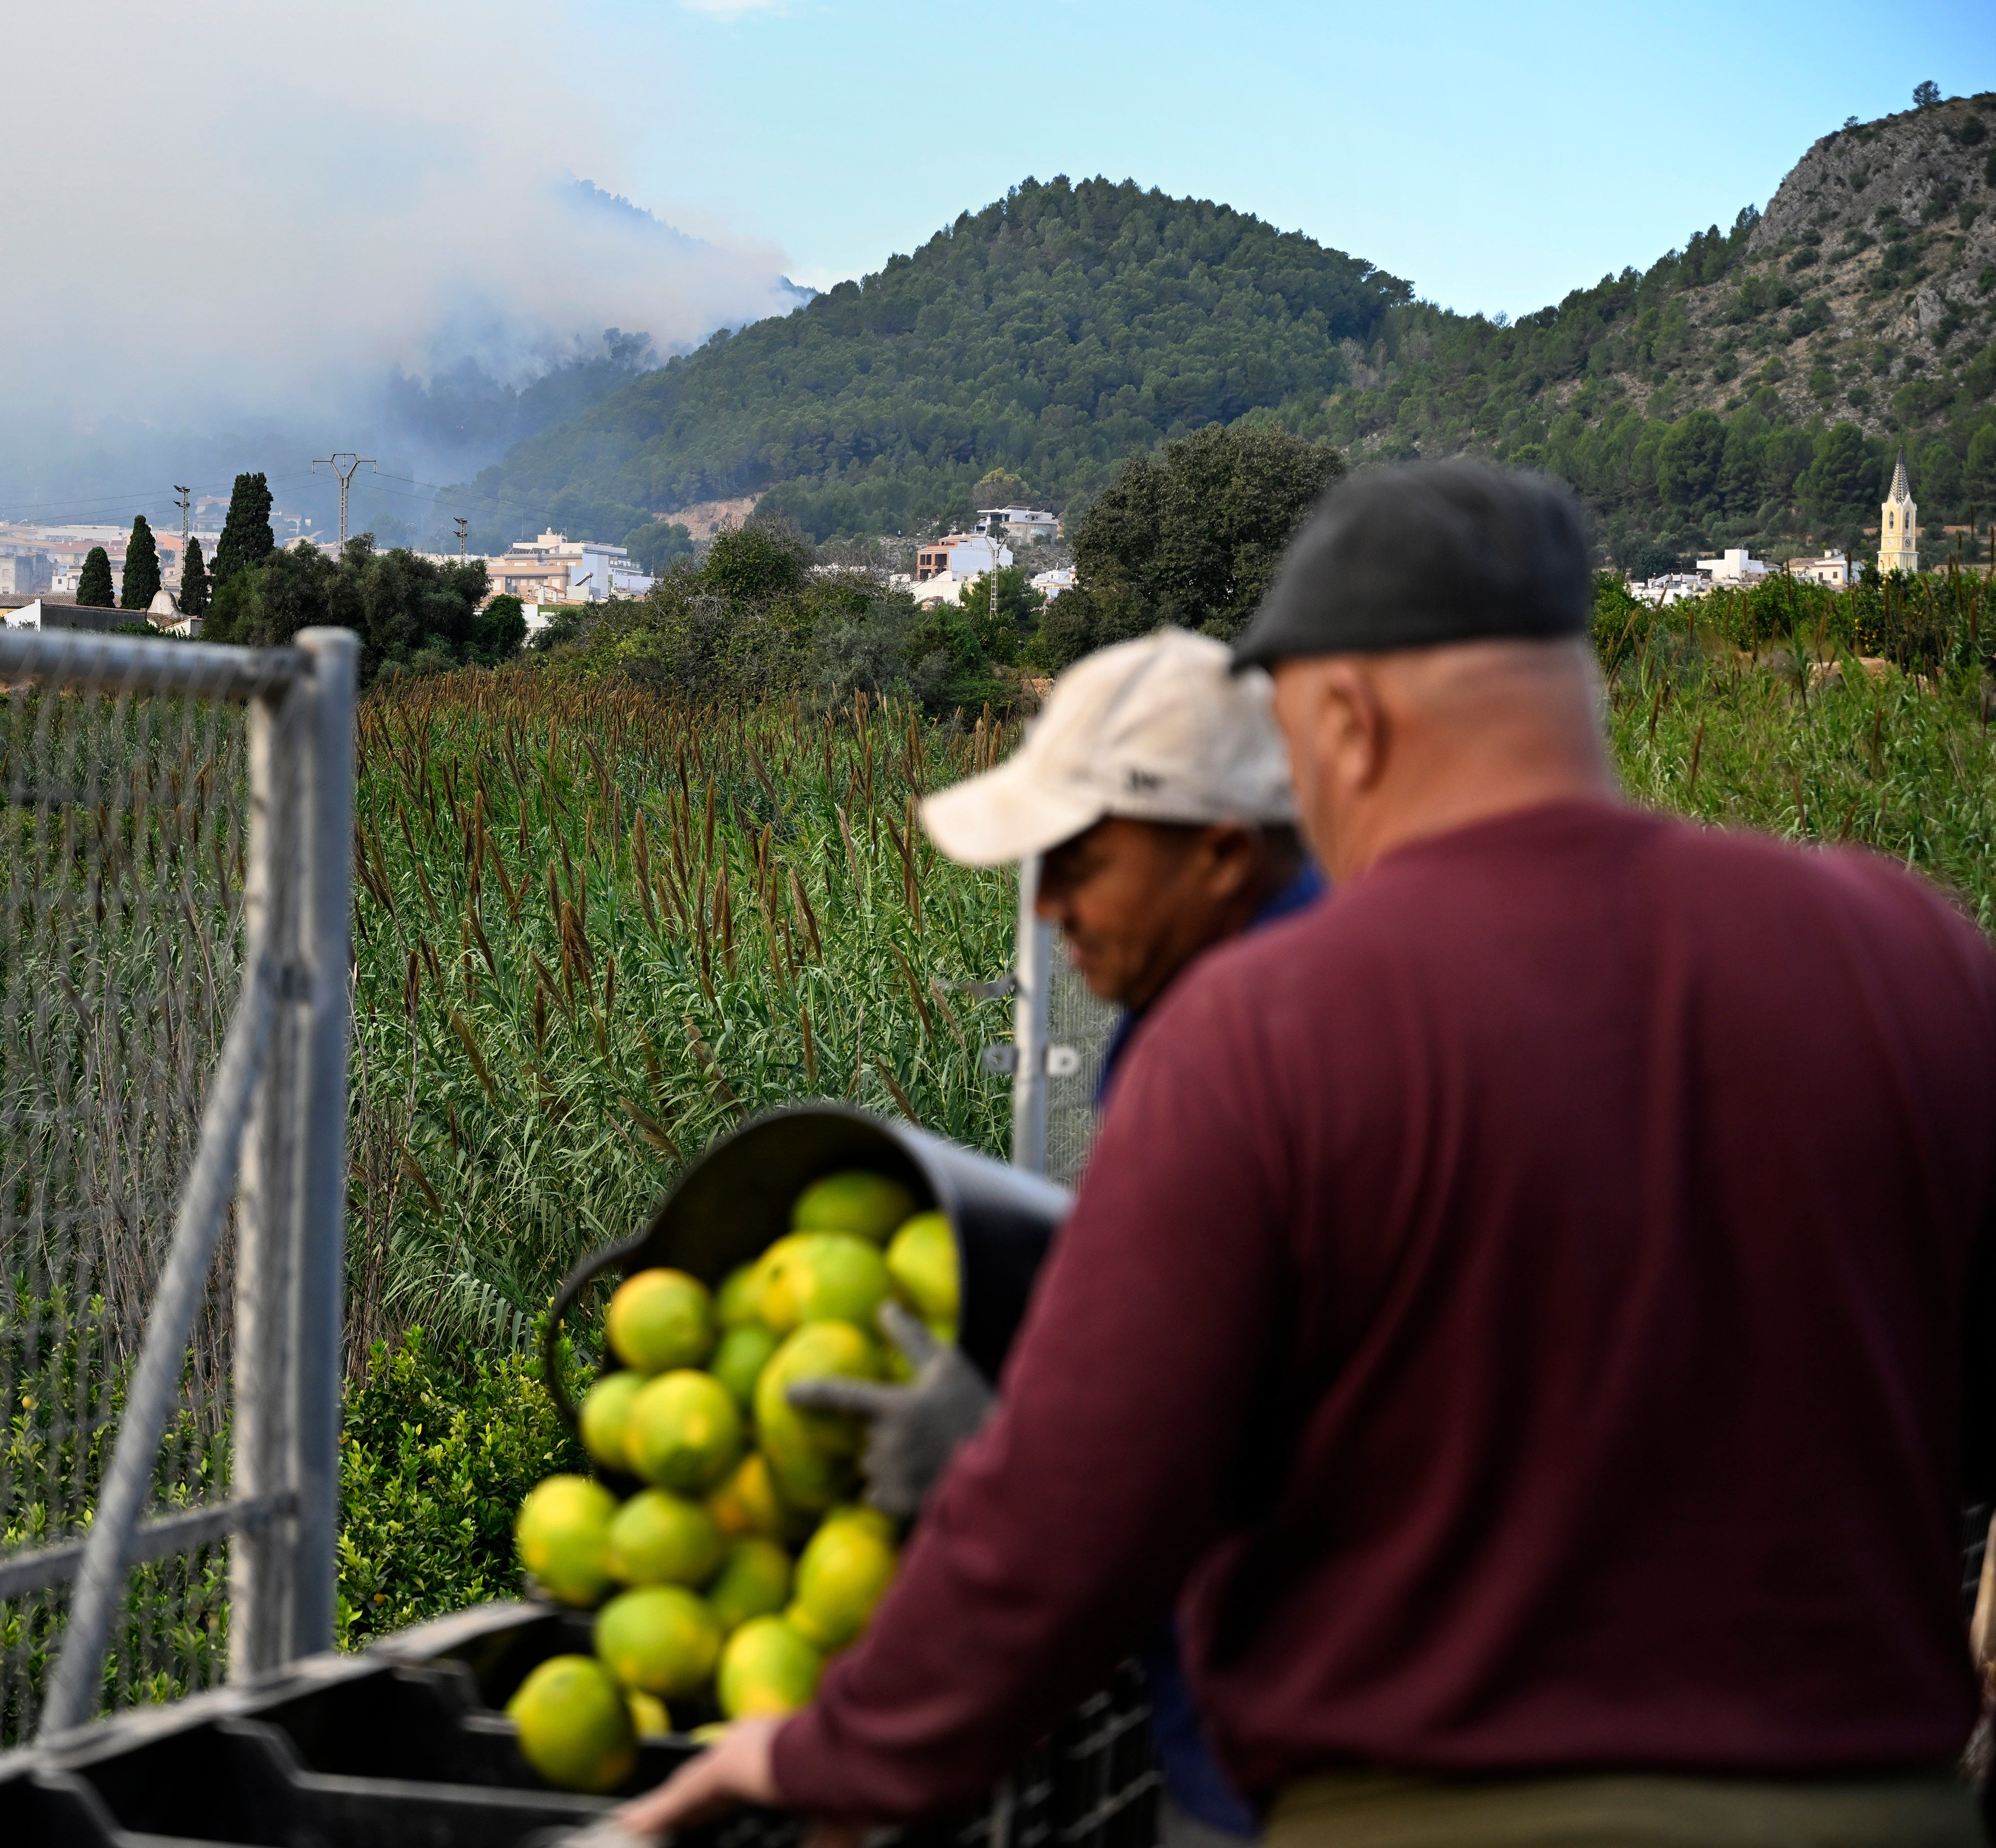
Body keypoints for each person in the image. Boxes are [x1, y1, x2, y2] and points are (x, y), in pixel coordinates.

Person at [624, 462, 1996, 1846]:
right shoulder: (1910, 950)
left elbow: (1075, 1511)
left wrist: (835, 1755)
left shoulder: (1264, 1027)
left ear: (1342, 716)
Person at [788, 623, 1320, 1843]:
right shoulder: (1186, 1008)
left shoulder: (1248, 1047)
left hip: (1303, 1762)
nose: (1046, 904)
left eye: (1077, 860)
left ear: (1224, 852)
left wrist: (993, 1465)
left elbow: (1168, 1459)